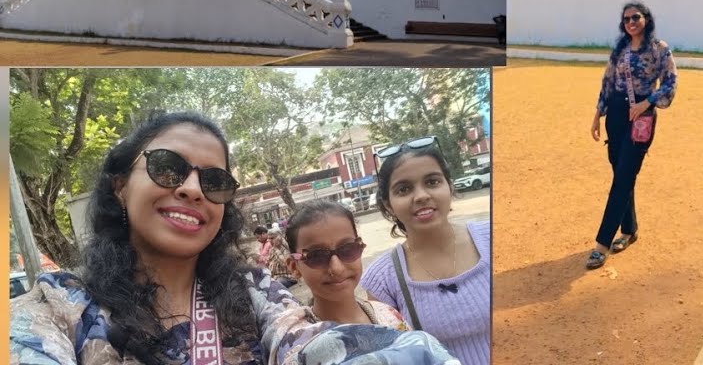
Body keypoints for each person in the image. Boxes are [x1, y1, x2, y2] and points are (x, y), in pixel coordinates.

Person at [9, 111, 458, 365]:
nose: (190, 188)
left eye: (214, 179)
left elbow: (306, 344)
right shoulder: (57, 309)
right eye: (167, 166)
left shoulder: (254, 293)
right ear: (120, 184)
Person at [360, 137, 491, 365]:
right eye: (404, 189)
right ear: (388, 204)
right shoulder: (383, 280)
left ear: (449, 186)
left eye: (432, 182)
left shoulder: (491, 237)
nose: (421, 196)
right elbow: (393, 355)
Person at [586, 1, 678, 270]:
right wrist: (597, 115)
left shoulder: (659, 49)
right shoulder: (620, 50)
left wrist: (647, 101)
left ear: (646, 19)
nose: (630, 22)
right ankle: (629, 229)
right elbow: (607, 82)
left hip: (641, 117)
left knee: (625, 176)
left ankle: (601, 244)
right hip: (616, 114)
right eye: (626, 19)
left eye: (635, 17)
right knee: (620, 175)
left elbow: (671, 81)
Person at [284, 201, 406, 329]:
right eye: (317, 256)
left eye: (348, 249)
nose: (337, 268)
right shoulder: (295, 340)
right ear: (294, 267)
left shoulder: (389, 317)